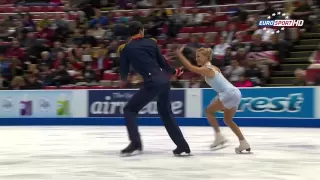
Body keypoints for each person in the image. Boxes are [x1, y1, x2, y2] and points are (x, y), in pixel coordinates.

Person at [118, 21, 191, 156]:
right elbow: (163, 63)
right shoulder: (152, 43)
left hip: (152, 83)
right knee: (166, 114)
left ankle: (135, 142)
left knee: (129, 109)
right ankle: (182, 146)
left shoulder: (125, 49)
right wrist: (175, 72)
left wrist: (124, 81)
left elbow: (124, 71)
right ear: (141, 31)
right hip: (164, 81)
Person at [176, 46, 251, 154]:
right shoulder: (213, 68)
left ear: (206, 57)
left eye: (199, 56)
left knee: (209, 111)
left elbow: (191, 67)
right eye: (196, 56)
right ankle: (243, 142)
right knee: (228, 120)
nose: (196, 58)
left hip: (229, 93)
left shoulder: (207, 69)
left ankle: (219, 137)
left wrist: (180, 55)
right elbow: (220, 83)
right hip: (235, 93)